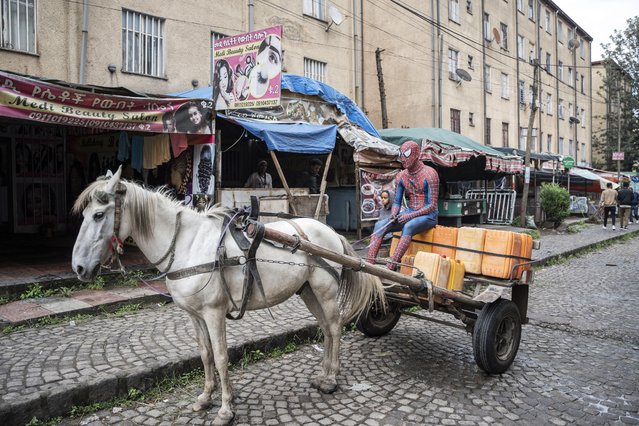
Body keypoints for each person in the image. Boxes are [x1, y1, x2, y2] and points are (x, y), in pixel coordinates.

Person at [367, 140, 439, 270]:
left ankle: (391, 265)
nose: (403, 158)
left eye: (406, 154)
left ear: (416, 154)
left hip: (428, 216)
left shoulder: (430, 174)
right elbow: (397, 201)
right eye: (401, 154)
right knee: (380, 225)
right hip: (410, 212)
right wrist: (394, 213)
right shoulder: (401, 176)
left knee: (408, 226)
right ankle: (369, 263)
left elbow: (432, 205)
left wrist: (409, 215)